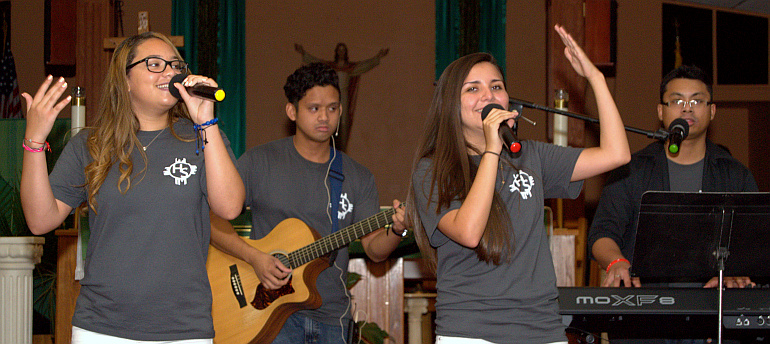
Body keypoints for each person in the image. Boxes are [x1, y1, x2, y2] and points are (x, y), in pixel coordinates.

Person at [406, 25, 630, 344]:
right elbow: (469, 232)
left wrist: (594, 78)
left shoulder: (531, 157)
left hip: (542, 329)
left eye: (496, 86)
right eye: (473, 89)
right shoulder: (433, 169)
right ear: (450, 106)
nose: (488, 96)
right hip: (471, 331)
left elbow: (616, 154)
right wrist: (491, 149)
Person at [20, 31, 244, 343]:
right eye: (154, 64)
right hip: (101, 328)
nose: (169, 72)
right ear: (124, 80)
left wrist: (206, 122)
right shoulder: (90, 145)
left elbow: (230, 207)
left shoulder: (201, 138)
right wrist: (34, 142)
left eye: (176, 65)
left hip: (183, 329)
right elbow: (40, 219)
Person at [209, 62, 407, 344]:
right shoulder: (259, 162)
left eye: (333, 108)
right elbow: (211, 219)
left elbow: (375, 251)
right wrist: (255, 258)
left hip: (331, 318)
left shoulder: (357, 177)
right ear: (293, 111)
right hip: (267, 317)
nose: (324, 116)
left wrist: (398, 229)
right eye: (314, 108)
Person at [588, 64, 758, 289]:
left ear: (712, 111)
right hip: (645, 306)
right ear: (661, 111)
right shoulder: (631, 170)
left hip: (714, 307)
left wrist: (735, 272)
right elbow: (602, 234)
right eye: (677, 101)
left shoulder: (735, 175)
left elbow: (755, 242)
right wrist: (617, 262)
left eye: (697, 101)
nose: (687, 109)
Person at [294, 43, 388, 151]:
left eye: (343, 50)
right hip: (333, 97)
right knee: (330, 120)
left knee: (344, 122)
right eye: (339, 50)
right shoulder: (330, 67)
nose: (341, 52)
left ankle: (342, 147)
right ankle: (332, 145)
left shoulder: (350, 68)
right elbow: (316, 62)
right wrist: (303, 53)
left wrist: (378, 57)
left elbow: (364, 65)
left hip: (344, 96)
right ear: (336, 52)